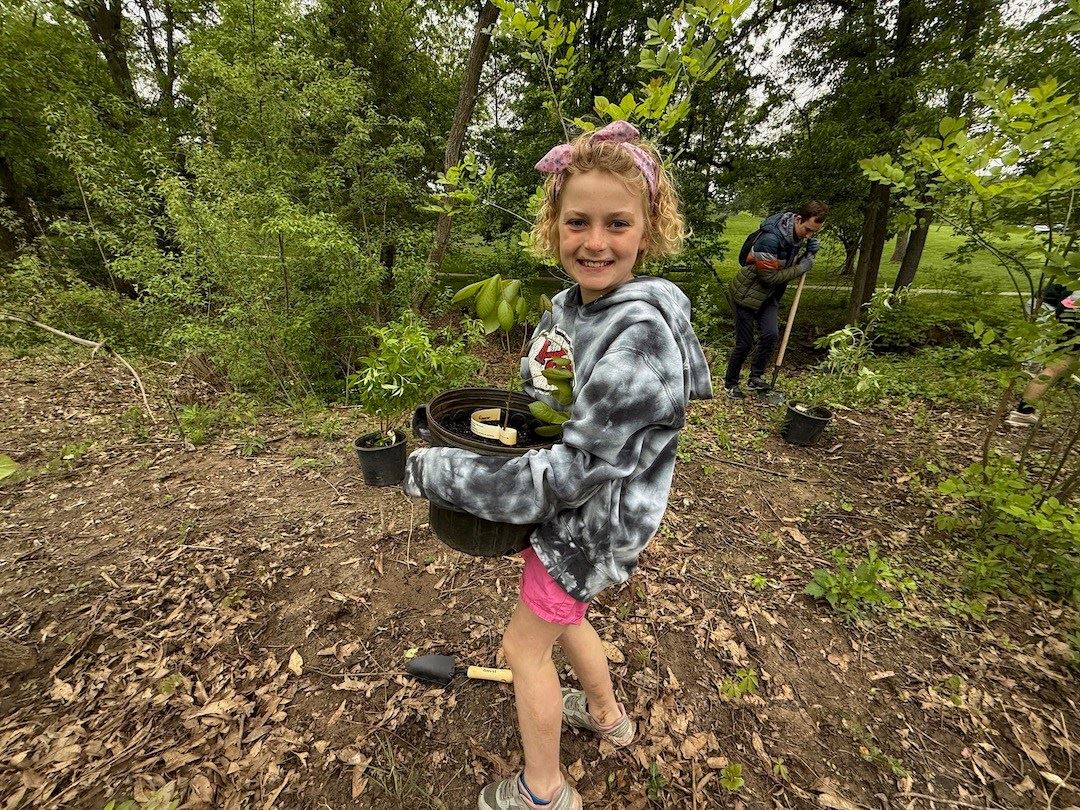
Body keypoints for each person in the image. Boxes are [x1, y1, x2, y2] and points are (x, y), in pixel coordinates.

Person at [402, 120, 712, 810]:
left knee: (524, 649)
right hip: (569, 518)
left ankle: (543, 790)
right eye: (578, 222)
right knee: (566, 616)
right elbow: (544, 405)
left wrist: (438, 472)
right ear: (554, 226)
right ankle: (607, 716)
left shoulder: (639, 340)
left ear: (648, 230)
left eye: (617, 224)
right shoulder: (571, 310)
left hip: (589, 526)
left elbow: (569, 473)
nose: (595, 242)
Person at [723, 202, 828, 398]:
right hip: (746, 295)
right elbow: (769, 277)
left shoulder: (794, 237)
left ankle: (755, 378)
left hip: (768, 295)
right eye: (807, 230)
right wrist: (803, 267)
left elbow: (785, 265)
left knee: (771, 335)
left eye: (813, 232)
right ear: (798, 219)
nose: (808, 236)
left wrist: (807, 254)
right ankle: (731, 383)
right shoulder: (770, 239)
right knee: (744, 343)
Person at [1006, 283, 1080, 427]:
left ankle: (1024, 411)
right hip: (1074, 309)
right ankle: (1023, 413)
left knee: (1058, 364)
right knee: (1059, 364)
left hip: (1069, 304)